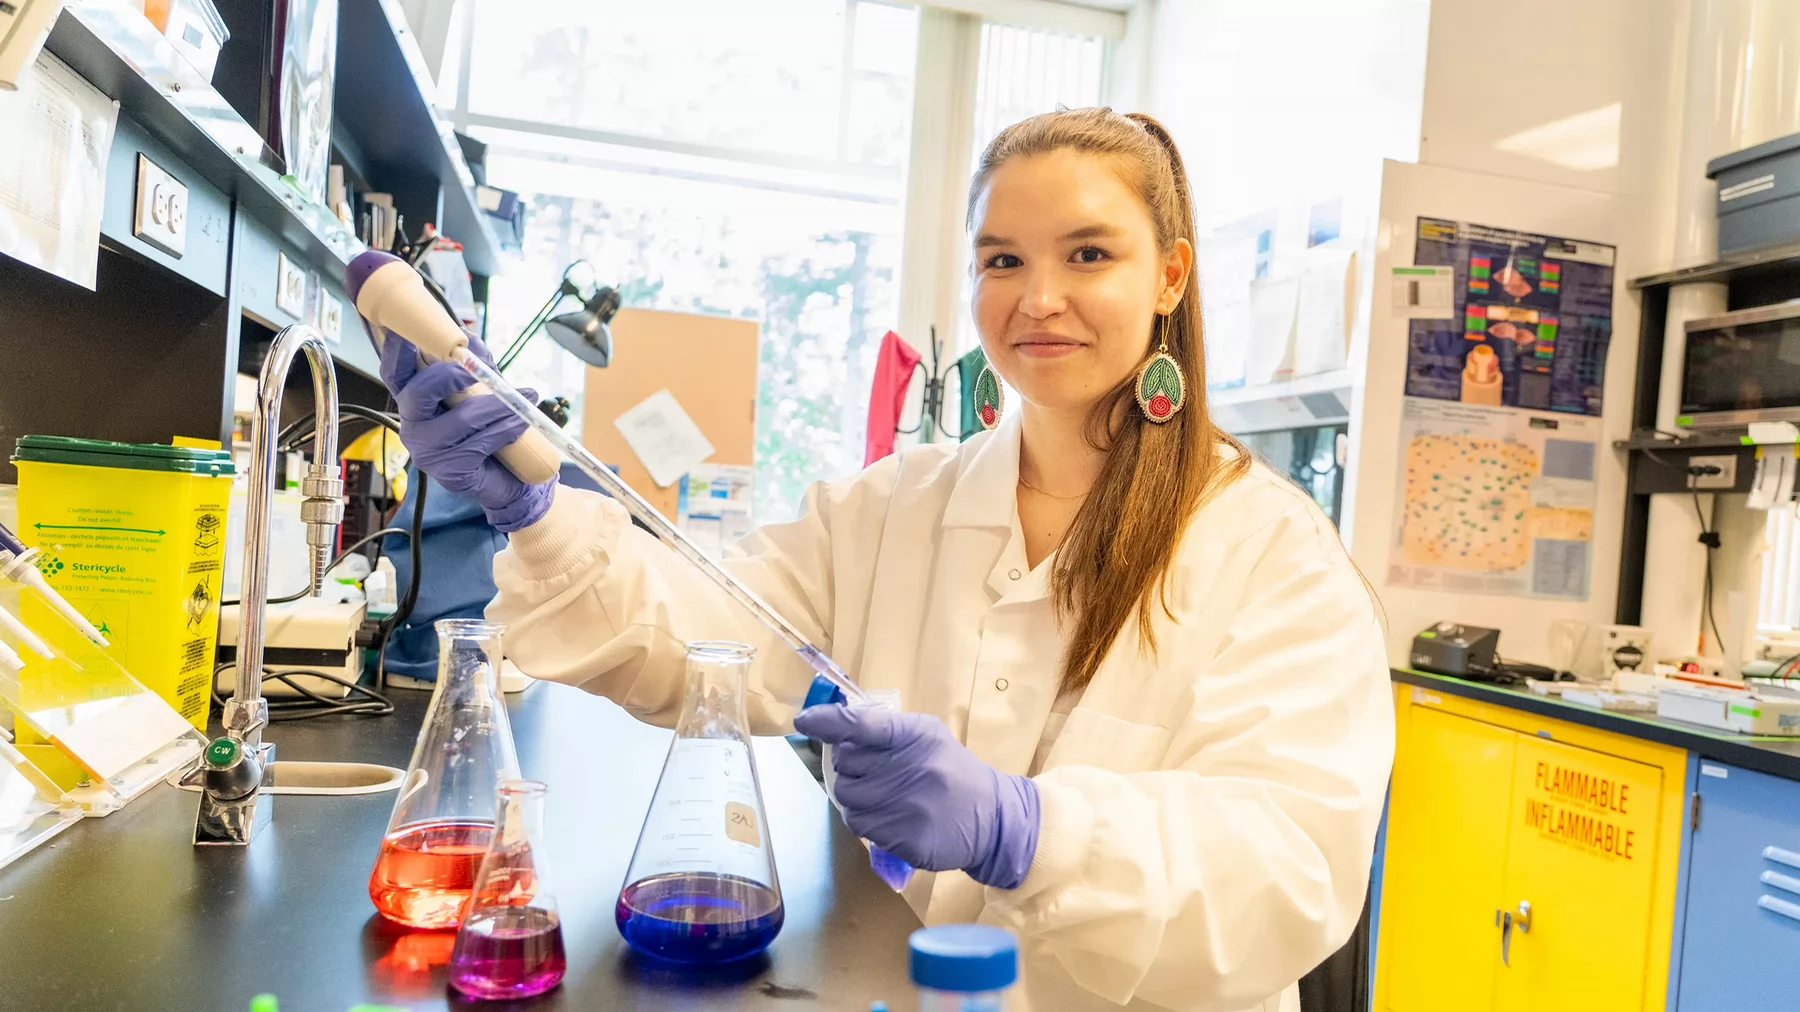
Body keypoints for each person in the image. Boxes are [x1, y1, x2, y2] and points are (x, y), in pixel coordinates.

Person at [377, 108, 1395, 1012]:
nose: (1039, 298)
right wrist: (540, 514)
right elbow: (708, 637)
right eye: (1003, 261)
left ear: (1171, 273)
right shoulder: (898, 505)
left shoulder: (1271, 551)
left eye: (1089, 255)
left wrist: (1031, 830)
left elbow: (1294, 866)